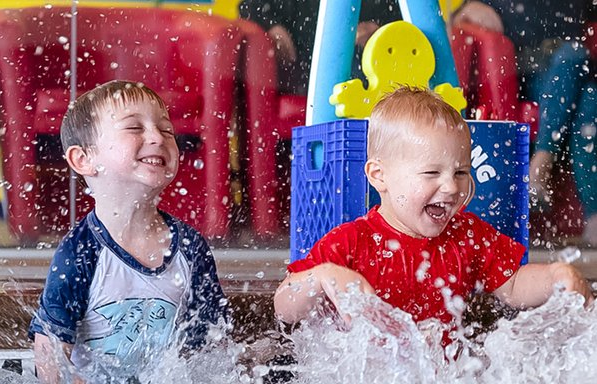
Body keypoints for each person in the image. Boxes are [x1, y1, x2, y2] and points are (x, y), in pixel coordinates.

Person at [274, 87, 593, 342]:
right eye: (431, 172)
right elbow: (284, 307)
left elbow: (512, 286)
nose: (451, 187)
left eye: (460, 172)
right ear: (379, 175)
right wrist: (325, 276)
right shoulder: (351, 243)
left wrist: (555, 277)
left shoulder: (468, 234)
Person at [28, 80, 228, 382]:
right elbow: (50, 358)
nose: (156, 138)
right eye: (135, 128)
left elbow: (214, 351)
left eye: (166, 130)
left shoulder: (189, 246)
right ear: (84, 159)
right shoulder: (81, 252)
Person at [452, 0, 597, 245]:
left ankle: (542, 166)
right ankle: (588, 208)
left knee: (590, 95)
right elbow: (449, 24)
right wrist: (463, 12)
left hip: (571, 75)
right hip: (521, 76)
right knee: (576, 59)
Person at [239, 0, 402, 94]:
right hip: (304, 70)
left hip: (365, 71)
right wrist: (273, 27)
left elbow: (408, 15)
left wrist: (379, 29)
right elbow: (249, 6)